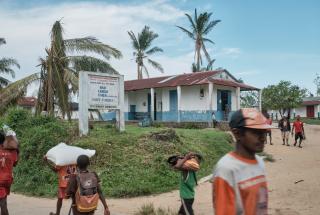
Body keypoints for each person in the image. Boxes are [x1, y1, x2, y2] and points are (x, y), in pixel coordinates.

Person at [212, 108, 272, 215]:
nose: (263, 138)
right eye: (256, 133)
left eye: (264, 132)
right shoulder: (226, 169)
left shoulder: (259, 162)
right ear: (237, 134)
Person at [0, 131, 19, 215]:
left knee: (3, 203)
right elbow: (15, 163)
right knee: (3, 201)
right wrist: (17, 151)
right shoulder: (13, 151)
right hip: (7, 180)